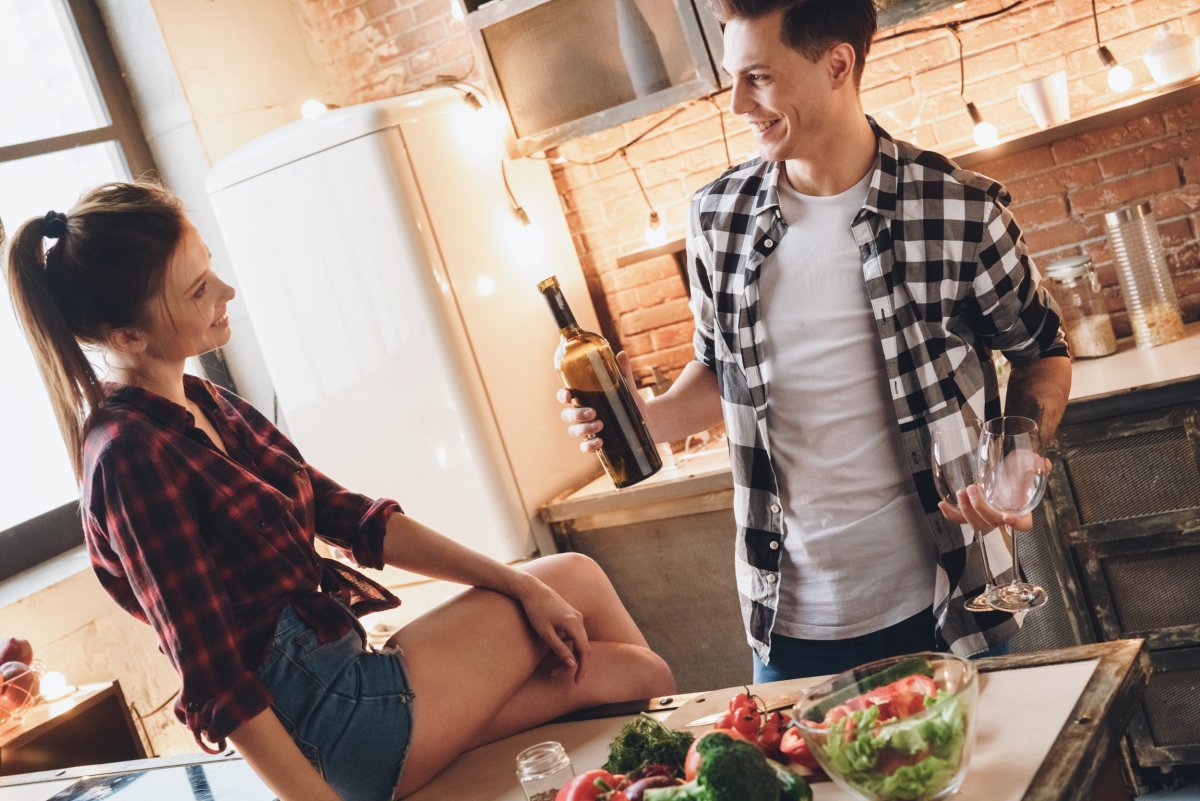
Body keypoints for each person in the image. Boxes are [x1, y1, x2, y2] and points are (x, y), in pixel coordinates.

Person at [5, 182, 675, 801]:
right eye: (201, 288)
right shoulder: (129, 456)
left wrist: (521, 583)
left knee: (599, 621)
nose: (229, 293)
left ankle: (659, 778)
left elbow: (352, 516)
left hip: (351, 674)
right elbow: (213, 675)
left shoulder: (204, 400)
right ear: (128, 336)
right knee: (630, 666)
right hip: (332, 725)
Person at [559, 0, 1071, 683]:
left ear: (838, 64)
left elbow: (1041, 349)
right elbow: (719, 374)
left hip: (951, 605)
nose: (737, 102)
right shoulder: (718, 220)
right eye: (733, 78)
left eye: (759, 78)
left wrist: (1019, 449)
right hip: (790, 622)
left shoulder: (960, 210)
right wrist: (643, 417)